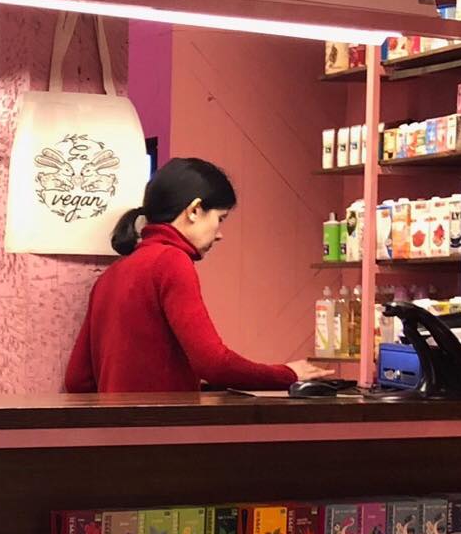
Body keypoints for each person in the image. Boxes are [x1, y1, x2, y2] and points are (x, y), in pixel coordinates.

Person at [64, 157, 331, 394]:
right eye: (220, 218)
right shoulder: (171, 261)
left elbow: (78, 380)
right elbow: (213, 363)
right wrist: (288, 374)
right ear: (194, 210)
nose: (220, 234)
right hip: (163, 429)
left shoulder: (111, 275)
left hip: (114, 431)